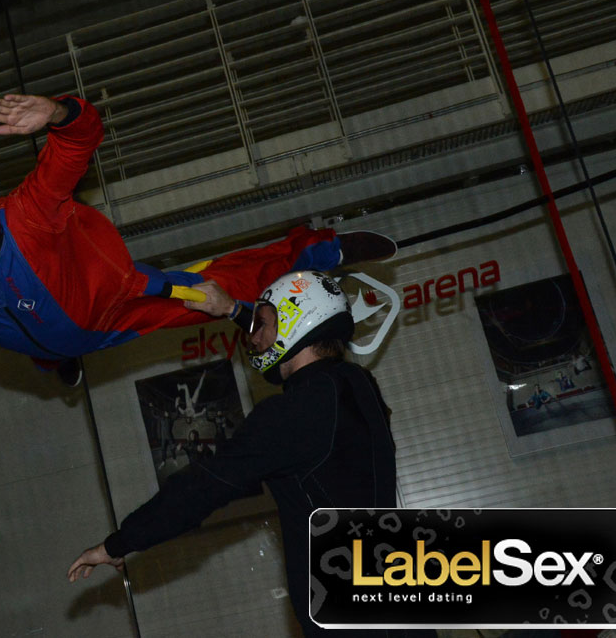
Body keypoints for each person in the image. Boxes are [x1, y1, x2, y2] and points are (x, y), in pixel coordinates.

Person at [0, 94, 394, 385]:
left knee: (214, 288)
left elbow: (79, 142)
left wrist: (56, 113)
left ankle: (318, 248)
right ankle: (54, 362)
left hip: (113, 305)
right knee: (41, 349)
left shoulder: (30, 213)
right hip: (39, 339)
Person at [66, 270, 426, 638]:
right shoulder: (358, 385)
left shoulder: (293, 414)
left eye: (262, 324)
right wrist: (232, 310)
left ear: (297, 323)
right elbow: (288, 339)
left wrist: (117, 544)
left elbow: (201, 488)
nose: (253, 337)